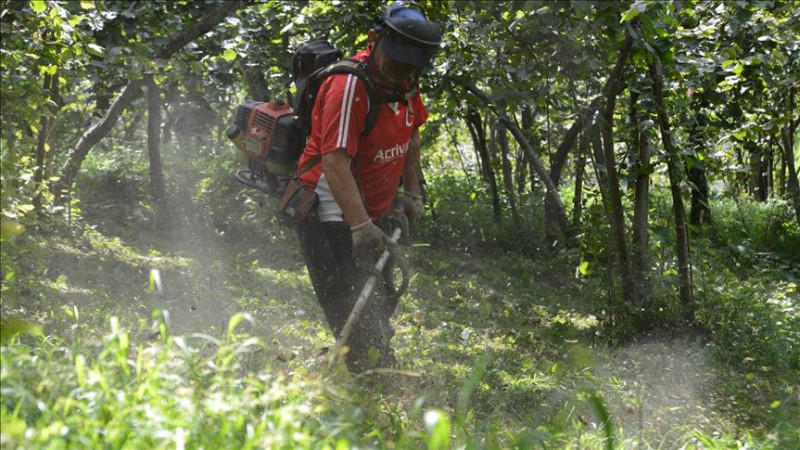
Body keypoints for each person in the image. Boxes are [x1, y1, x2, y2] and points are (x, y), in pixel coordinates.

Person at [294, 2, 441, 373]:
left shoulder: (407, 81)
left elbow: (411, 137)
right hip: (330, 209)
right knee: (352, 309)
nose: (400, 76)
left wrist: (411, 194)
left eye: (411, 68)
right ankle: (373, 386)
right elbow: (335, 162)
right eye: (396, 65)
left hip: (375, 210)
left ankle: (378, 369)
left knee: (379, 299)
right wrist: (359, 225)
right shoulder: (349, 87)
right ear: (376, 41)